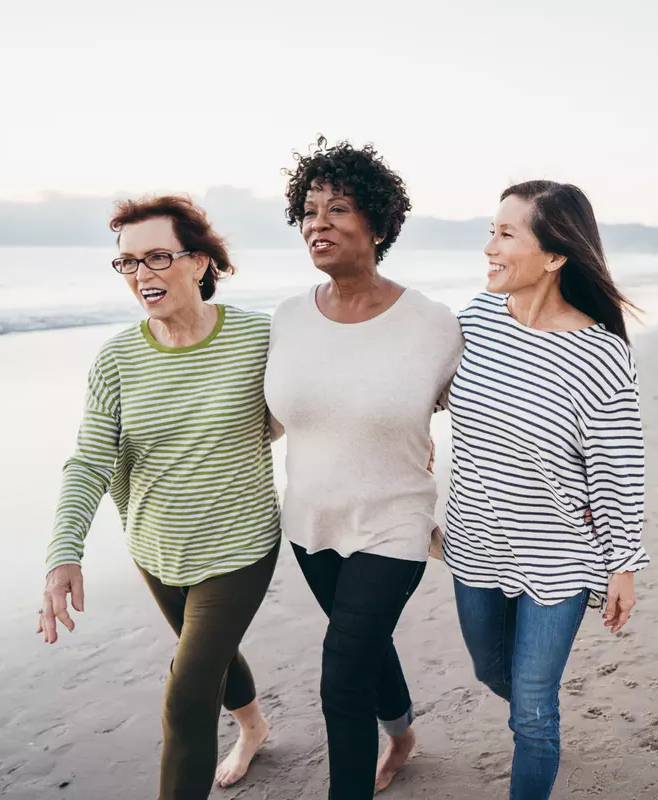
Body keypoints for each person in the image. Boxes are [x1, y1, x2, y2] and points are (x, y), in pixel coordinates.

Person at [37, 196, 281, 799]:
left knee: (189, 691)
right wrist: (64, 551)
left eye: (157, 256)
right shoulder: (117, 358)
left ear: (199, 262)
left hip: (240, 546)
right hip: (155, 548)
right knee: (210, 654)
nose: (142, 273)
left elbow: (324, 400)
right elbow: (90, 459)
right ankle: (253, 728)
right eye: (127, 263)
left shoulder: (259, 338)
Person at [265, 137, 463, 799]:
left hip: (394, 523)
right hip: (311, 522)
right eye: (309, 211)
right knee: (365, 646)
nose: (318, 223)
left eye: (338, 208)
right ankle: (402, 731)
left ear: (377, 225)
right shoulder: (288, 319)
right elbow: (265, 420)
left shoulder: (433, 324)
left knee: (342, 673)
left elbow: (484, 418)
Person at [444, 181, 648, 800]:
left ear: (555, 256)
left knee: (533, 709)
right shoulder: (474, 320)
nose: (490, 247)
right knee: (490, 670)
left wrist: (624, 566)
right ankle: (540, 728)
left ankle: (539, 738)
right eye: (491, 230)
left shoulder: (600, 354)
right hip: (474, 543)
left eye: (507, 234)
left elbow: (620, 471)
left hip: (559, 556)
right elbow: (424, 390)